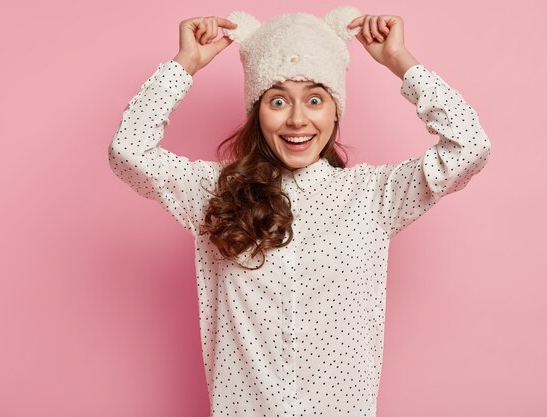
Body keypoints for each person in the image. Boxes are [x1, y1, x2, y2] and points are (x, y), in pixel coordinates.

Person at [108, 6, 491, 416]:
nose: (297, 119)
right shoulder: (215, 192)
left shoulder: (374, 195)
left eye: (314, 99)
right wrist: (184, 65)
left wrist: (401, 63)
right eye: (277, 100)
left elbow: (469, 148)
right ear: (257, 110)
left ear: (335, 109)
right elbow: (127, 151)